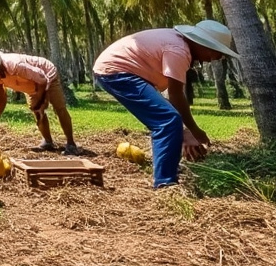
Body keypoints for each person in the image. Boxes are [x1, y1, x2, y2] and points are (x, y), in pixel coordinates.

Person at [93, 19, 240, 188]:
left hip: (121, 70)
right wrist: (194, 131)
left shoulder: (178, 43)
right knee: (167, 120)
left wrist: (184, 133)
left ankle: (168, 171)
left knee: (169, 119)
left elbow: (171, 97)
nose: (218, 58)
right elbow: (176, 95)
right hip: (117, 71)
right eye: (217, 52)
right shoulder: (179, 50)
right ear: (204, 44)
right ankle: (165, 183)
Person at [0, 50, 81, 154]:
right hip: (29, 86)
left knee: (59, 108)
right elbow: (1, 101)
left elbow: (42, 80)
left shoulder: (15, 65)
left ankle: (71, 144)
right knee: (37, 112)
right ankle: (48, 142)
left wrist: (40, 99)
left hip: (47, 75)